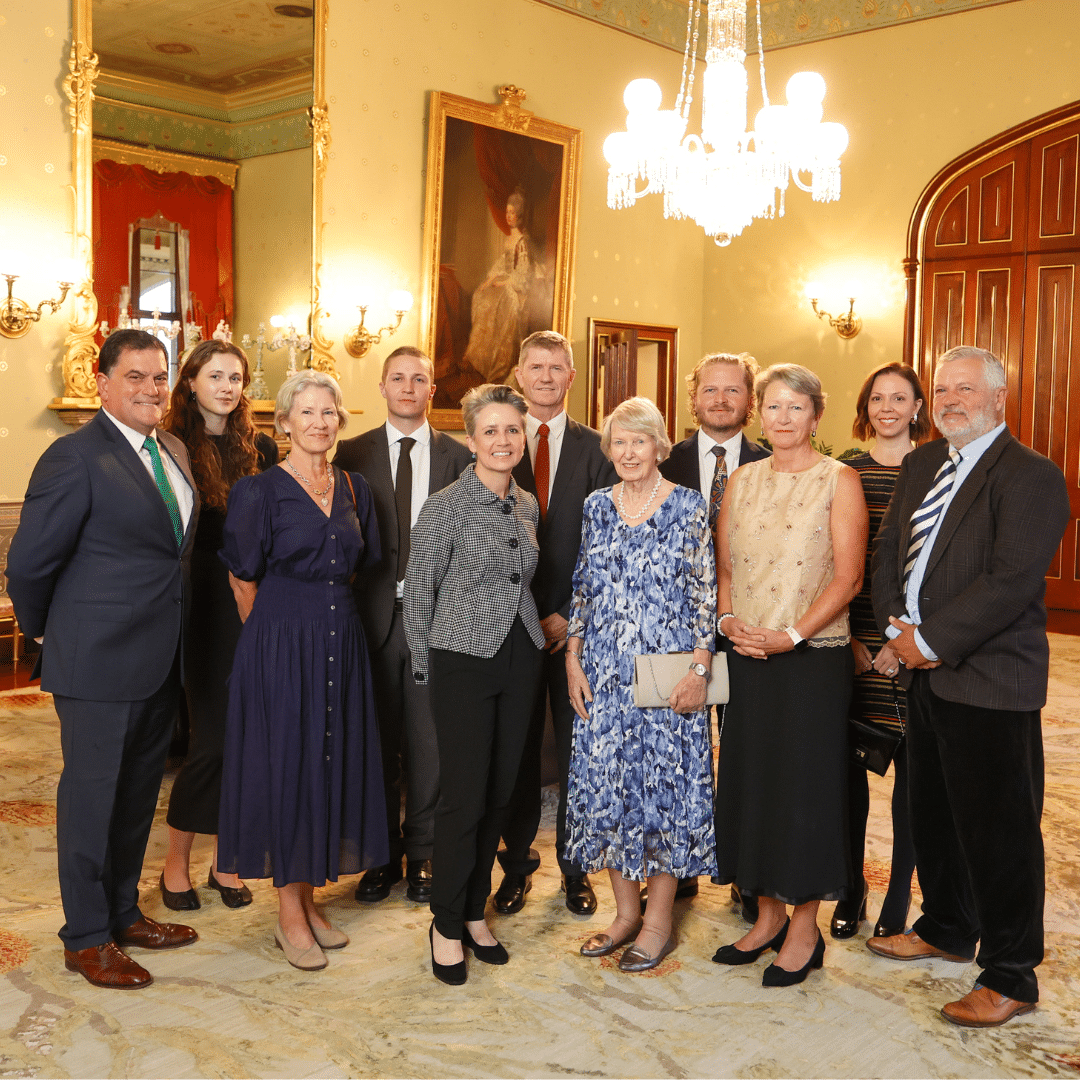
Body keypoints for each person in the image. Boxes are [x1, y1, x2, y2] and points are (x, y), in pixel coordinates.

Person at [868, 346, 1069, 1028]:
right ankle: (949, 928)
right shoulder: (924, 463)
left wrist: (926, 642)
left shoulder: (1033, 477)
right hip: (923, 674)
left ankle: (1011, 975)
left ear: (998, 397)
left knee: (1000, 831)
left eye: (965, 389)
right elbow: (891, 549)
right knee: (934, 814)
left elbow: (1009, 583)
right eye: (943, 389)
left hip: (989, 678)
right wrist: (896, 627)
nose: (950, 399)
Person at [5, 328, 200, 989]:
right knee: (91, 802)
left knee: (136, 796)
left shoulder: (169, 448)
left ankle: (122, 914)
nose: (151, 388)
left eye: (159, 376)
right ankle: (85, 938)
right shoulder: (74, 457)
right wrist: (46, 632)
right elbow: (29, 564)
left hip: (158, 656)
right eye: (137, 376)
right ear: (104, 382)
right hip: (96, 663)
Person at [217, 370, 387, 971]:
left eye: (328, 413)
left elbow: (363, 565)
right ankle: (289, 912)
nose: (318, 423)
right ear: (283, 421)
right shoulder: (258, 491)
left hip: (343, 639)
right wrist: (269, 652)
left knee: (327, 765)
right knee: (287, 768)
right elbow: (242, 576)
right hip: (281, 644)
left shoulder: (352, 486)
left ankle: (310, 901)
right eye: (306, 413)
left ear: (339, 420)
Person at [712, 364, 867, 987]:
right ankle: (766, 916)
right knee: (753, 785)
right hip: (748, 659)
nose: (781, 418)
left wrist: (792, 634)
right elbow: (722, 568)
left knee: (806, 794)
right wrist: (728, 621)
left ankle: (805, 929)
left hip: (810, 661)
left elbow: (848, 578)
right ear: (760, 415)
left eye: (794, 408)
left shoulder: (840, 480)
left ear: (815, 415)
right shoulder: (741, 481)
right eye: (772, 407)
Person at [565, 396, 718, 973]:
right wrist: (573, 658)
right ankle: (623, 915)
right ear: (610, 451)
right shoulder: (596, 507)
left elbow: (706, 594)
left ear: (660, 447)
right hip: (602, 671)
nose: (629, 452)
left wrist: (701, 669)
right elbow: (583, 586)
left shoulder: (687, 506)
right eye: (619, 443)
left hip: (666, 674)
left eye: (640, 441)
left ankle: (658, 922)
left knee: (663, 795)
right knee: (606, 789)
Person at [404, 383, 545, 985]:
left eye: (512, 429)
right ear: (471, 438)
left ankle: (473, 908)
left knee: (502, 791)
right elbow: (420, 585)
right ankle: (445, 923)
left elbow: (523, 579)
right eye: (490, 430)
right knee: (463, 795)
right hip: (460, 657)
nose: (503, 440)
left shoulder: (527, 504)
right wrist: (420, 659)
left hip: (522, 654)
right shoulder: (444, 505)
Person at [333, 346, 472, 906]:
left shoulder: (460, 459)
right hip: (366, 620)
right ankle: (379, 857)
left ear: (432, 392)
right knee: (374, 742)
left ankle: (424, 855)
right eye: (398, 378)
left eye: (420, 379)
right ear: (383, 388)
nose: (409, 387)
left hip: (433, 622)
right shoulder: (349, 454)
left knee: (427, 745)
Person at [494, 331, 617, 919]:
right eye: (535, 367)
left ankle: (576, 869)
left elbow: (608, 545)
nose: (545, 377)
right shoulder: (496, 441)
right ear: (519, 374)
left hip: (578, 629)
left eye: (556, 368)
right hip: (507, 628)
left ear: (572, 377)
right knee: (515, 752)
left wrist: (570, 614)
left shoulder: (600, 449)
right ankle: (515, 869)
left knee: (578, 753)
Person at [159, 340, 278, 913]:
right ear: (191, 382)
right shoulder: (168, 445)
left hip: (257, 599)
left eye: (237, 377)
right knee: (212, 739)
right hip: (201, 602)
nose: (228, 386)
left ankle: (225, 860)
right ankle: (174, 861)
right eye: (216, 375)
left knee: (250, 738)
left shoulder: (261, 446)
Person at [659, 351, 771, 919]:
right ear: (693, 397)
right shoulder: (661, 461)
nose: (721, 400)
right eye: (711, 390)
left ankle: (745, 870)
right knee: (677, 752)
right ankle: (676, 866)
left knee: (746, 753)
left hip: (747, 630)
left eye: (734, 391)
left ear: (750, 401)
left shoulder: (776, 462)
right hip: (673, 632)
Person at [830, 362, 929, 941]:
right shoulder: (844, 473)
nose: (887, 407)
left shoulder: (941, 470)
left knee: (915, 776)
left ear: (918, 407)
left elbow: (942, 567)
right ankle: (850, 887)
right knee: (848, 775)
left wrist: (906, 641)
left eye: (900, 398)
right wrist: (851, 639)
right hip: (853, 640)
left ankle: (899, 893)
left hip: (917, 645)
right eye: (877, 398)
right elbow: (831, 561)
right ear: (865, 407)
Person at [461, 190, 534, 384]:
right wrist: (490, 279)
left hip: (516, 288)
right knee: (481, 294)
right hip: (504, 280)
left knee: (503, 300)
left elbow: (523, 271)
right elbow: (502, 264)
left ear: (519, 216)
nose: (509, 216)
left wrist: (505, 282)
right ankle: (477, 356)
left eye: (513, 213)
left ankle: (497, 363)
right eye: (507, 212)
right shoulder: (509, 239)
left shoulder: (522, 242)